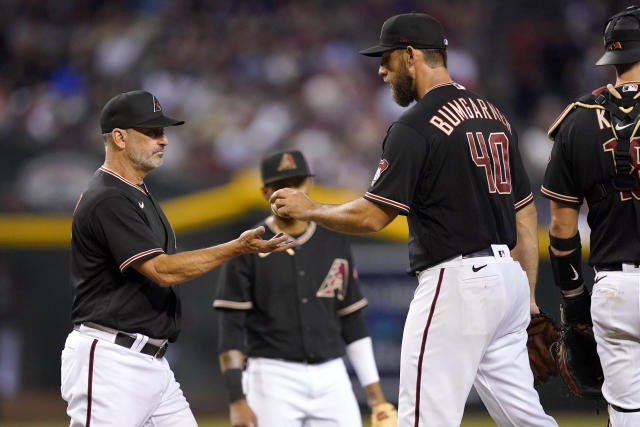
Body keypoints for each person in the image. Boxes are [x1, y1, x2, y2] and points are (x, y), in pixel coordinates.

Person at [270, 13, 557, 427]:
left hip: (458, 283)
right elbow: (525, 212)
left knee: (422, 419)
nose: (382, 70)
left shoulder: (415, 125)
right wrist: (528, 297)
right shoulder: (494, 115)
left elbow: (372, 217)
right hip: (508, 283)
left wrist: (310, 209)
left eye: (387, 59)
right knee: (527, 419)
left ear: (410, 55)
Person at [60, 90, 293, 427]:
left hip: (151, 364)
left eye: (163, 131)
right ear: (120, 138)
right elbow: (161, 270)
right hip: (112, 359)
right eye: (152, 132)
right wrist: (236, 247)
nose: (164, 140)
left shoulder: (136, 192)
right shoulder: (108, 198)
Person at [213, 149, 397, 427]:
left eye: (297, 182)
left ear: (308, 184)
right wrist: (237, 399)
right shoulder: (248, 245)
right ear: (265, 192)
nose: (290, 191)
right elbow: (231, 329)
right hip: (271, 376)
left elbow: (352, 319)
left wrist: (376, 397)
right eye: (280, 185)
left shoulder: (334, 239)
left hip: (332, 375)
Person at [542, 5, 640, 426]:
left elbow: (562, 229)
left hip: (614, 289)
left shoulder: (578, 119)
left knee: (626, 411)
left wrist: (573, 303)